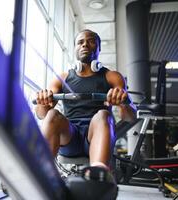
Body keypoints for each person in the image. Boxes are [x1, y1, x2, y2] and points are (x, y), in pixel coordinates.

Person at [35, 29, 136, 171]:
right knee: (52, 115)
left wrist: (123, 103)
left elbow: (131, 117)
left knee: (103, 114)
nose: (85, 45)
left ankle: (98, 175)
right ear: (75, 48)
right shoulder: (62, 78)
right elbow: (41, 114)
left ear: (99, 48)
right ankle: (40, 173)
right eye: (80, 42)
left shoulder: (111, 76)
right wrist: (42, 102)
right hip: (70, 138)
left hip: (97, 135)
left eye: (91, 41)